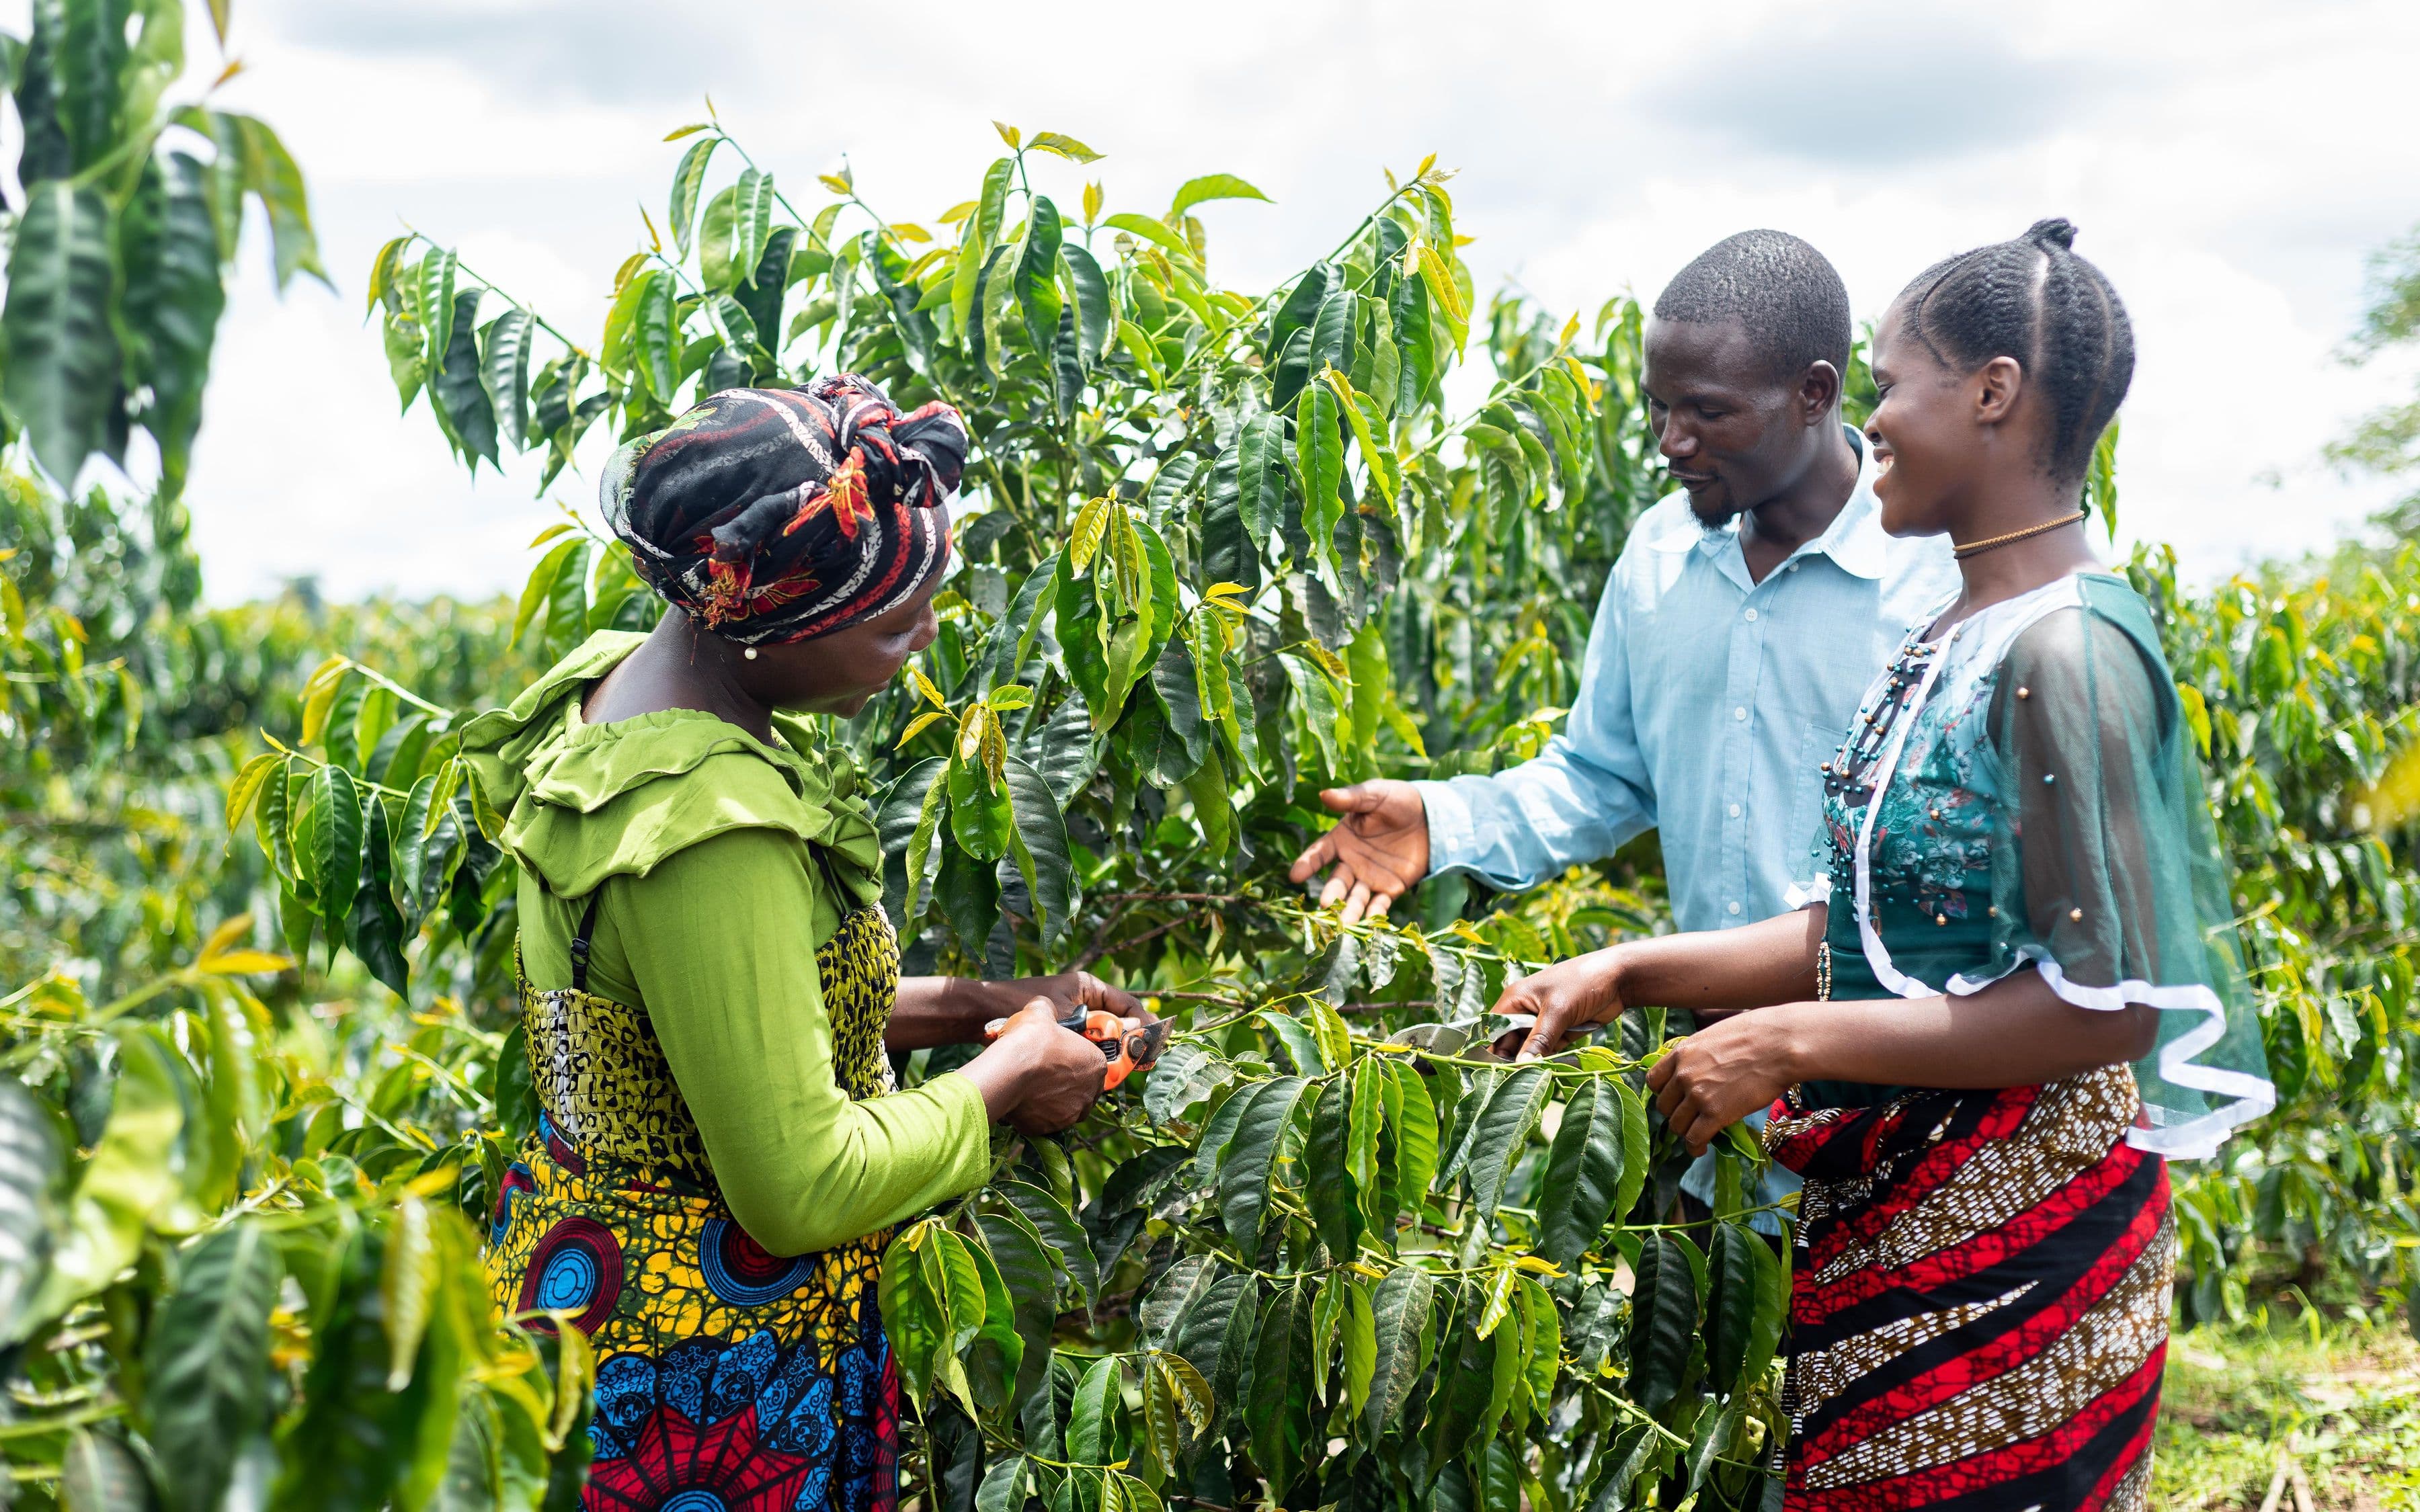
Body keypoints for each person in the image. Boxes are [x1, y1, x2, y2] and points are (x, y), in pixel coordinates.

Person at [1504, 221, 2273, 1509]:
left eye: (1888, 389)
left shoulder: (2066, 654)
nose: (1871, 430)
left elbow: (2117, 1002)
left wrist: (1792, 1044)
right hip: (1894, 1215)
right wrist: (1627, 970)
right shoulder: (1958, 627)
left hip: (2019, 1244)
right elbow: (1873, 928)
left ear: (1991, 395)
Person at [464, 378, 1141, 1512]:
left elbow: (734, 1016)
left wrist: (1004, 1000)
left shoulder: (633, 695)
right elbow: (799, 1183)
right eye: (890, 624)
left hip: (585, 1279)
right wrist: (1011, 1071)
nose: (921, 638)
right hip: (695, 1368)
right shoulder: (706, 827)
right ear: (775, 629)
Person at [1289, 230, 1959, 1224]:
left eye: (1707, 412)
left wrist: (1632, 971)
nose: (1670, 441)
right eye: (1659, 406)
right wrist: (1444, 819)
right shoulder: (1658, 557)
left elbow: (1926, 898)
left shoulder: (1938, 578)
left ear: (1815, 395)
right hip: (1708, 1091)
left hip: (1898, 1104)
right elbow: (1602, 777)